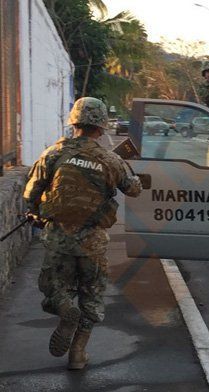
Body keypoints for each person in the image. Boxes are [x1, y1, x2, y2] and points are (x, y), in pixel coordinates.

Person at [23, 97, 142, 370]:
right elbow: (133, 189)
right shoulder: (110, 159)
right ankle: (77, 353)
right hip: (93, 243)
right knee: (92, 296)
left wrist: (36, 214)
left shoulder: (53, 153)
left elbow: (31, 194)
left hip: (57, 239)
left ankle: (65, 310)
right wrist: (128, 170)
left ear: (73, 122)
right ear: (100, 127)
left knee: (54, 287)